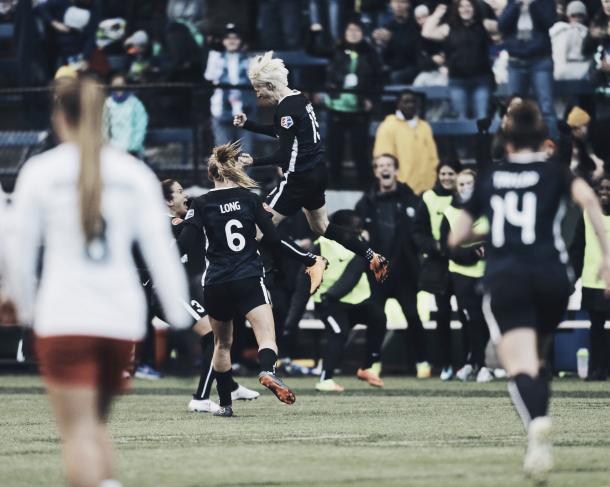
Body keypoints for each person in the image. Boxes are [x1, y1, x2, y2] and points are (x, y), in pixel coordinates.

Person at [7, 76, 191, 487]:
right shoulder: (134, 172)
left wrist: (27, 308)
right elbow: (162, 255)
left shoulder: (41, 171)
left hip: (64, 317)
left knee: (77, 435)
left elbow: (18, 255)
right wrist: (180, 319)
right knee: (93, 428)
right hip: (120, 320)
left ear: (59, 117)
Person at [448, 100, 610, 481]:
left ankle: (537, 425)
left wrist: (492, 233)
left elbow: (456, 238)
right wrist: (607, 257)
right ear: (544, 142)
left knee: (519, 366)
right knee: (538, 358)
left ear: (506, 144)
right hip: (553, 276)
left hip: (509, 277)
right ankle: (541, 423)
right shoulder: (555, 172)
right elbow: (590, 202)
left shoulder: (490, 177)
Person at [234, 51, 390, 282]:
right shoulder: (298, 99)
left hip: (299, 178)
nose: (257, 93)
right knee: (322, 227)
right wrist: (250, 125)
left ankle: (310, 262)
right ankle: (371, 255)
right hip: (318, 173)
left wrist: (253, 161)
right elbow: (283, 133)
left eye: (258, 88)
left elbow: (285, 154)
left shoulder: (286, 109)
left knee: (258, 230)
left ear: (269, 84)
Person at [177, 142, 302, 417]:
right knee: (266, 335)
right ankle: (268, 371)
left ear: (211, 175)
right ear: (233, 172)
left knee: (222, 344)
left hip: (216, 283)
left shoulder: (200, 203)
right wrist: (281, 268)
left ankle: (225, 405)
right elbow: (271, 238)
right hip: (248, 276)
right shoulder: (249, 199)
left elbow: (184, 246)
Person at [160, 179, 259, 412]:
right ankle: (201, 398)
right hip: (163, 291)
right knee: (213, 336)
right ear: (167, 200)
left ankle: (231, 386)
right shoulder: (169, 223)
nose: (186, 195)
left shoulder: (176, 222)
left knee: (217, 336)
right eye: (180, 192)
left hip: (176, 290)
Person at [355, 154, 430, 377]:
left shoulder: (412, 199)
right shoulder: (365, 202)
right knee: (376, 319)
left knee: (413, 317)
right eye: (380, 166)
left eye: (389, 165)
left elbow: (420, 230)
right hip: (377, 273)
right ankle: (371, 365)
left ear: (396, 170)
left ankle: (422, 363)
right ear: (375, 171)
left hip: (405, 271)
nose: (385, 170)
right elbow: (354, 233)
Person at [311, 210, 387, 392]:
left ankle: (367, 367)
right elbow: (305, 277)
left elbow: (358, 273)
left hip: (356, 302)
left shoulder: (360, 246)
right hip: (330, 303)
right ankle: (325, 379)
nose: (359, 231)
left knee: (378, 317)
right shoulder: (320, 245)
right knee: (338, 333)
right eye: (356, 228)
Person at [308, 18, 382, 187]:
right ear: (345, 33)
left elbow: (379, 79)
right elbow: (313, 50)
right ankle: (333, 186)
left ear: (363, 34)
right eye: (350, 30)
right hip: (336, 107)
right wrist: (313, 34)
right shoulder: (337, 50)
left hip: (359, 109)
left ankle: (366, 187)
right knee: (334, 150)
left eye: (357, 30)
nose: (353, 33)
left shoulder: (370, 53)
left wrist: (372, 99)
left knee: (360, 150)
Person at [439, 169, 492, 382]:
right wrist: (471, 252)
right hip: (461, 274)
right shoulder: (449, 212)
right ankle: (477, 364)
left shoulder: (489, 209)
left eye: (469, 183)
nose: (465, 188)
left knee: (484, 319)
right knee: (470, 320)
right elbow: (448, 246)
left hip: (487, 274)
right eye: (461, 184)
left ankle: (477, 363)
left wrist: (487, 249)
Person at [413, 159, 462, 380]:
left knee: (467, 314)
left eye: (451, 173)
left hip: (464, 262)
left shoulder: (465, 197)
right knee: (442, 315)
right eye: (443, 174)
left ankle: (470, 362)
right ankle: (447, 364)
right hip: (439, 263)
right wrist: (435, 246)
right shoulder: (428, 197)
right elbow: (418, 231)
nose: (447, 178)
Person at [421, 0, 497, 120]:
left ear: (474, 8)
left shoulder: (483, 24)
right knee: (461, 118)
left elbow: (504, 26)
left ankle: (481, 139)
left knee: (482, 117)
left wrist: (499, 7)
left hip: (481, 80)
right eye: (461, 6)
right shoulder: (448, 28)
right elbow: (426, 32)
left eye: (469, 6)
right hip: (458, 81)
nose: (465, 9)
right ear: (457, 9)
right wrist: (437, 13)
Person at [569, 174, 610, 380]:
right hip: (592, 282)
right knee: (596, 329)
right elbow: (577, 249)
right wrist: (571, 279)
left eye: (608, 188)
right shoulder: (587, 215)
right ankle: (597, 368)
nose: (604, 192)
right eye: (600, 188)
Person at [498, 0, 558, 139]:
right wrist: (515, 5)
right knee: (513, 109)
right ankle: (515, 150)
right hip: (516, 61)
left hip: (541, 60)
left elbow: (549, 22)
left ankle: (553, 151)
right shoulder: (512, 2)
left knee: (546, 108)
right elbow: (502, 25)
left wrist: (533, 4)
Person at [373, 90, 440, 195]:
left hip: (427, 189)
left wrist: (434, 181)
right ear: (398, 104)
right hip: (401, 190)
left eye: (413, 102)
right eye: (406, 102)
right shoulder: (387, 127)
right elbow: (384, 161)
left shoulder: (425, 126)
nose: (410, 105)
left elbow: (433, 158)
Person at [204, 23, 255, 152]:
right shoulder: (215, 58)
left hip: (244, 111)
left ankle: (244, 173)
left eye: (235, 38)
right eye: (228, 38)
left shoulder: (249, 59)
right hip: (221, 110)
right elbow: (209, 76)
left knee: (245, 154)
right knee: (223, 153)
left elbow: (255, 79)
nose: (232, 41)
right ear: (223, 41)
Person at [372, 0, 421, 83]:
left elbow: (413, 53)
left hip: (413, 66)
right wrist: (382, 44)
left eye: (402, 2)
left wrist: (392, 39)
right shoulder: (388, 26)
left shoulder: (416, 25)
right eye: (395, 2)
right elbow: (385, 58)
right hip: (393, 67)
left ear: (409, 4)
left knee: (395, 76)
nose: (398, 6)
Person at [103, 72, 148, 158]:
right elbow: (103, 126)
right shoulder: (107, 103)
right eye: (116, 85)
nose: (119, 88)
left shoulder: (135, 103)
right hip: (112, 149)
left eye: (121, 85)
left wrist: (133, 147)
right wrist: (106, 145)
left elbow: (140, 126)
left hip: (132, 150)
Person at [549, 1, 590, 80]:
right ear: (568, 16)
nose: (577, 18)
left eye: (580, 15)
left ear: (584, 17)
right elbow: (559, 58)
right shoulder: (561, 31)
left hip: (583, 70)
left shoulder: (587, 33)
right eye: (573, 15)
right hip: (565, 71)